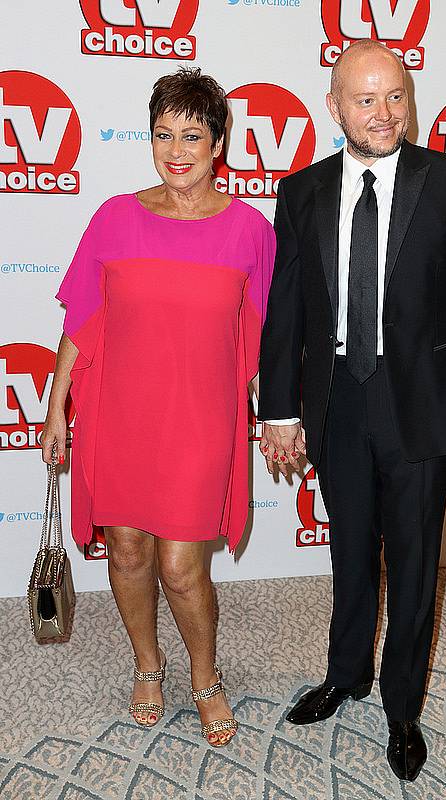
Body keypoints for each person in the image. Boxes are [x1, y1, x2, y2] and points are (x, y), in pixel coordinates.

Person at [258, 40, 446, 780]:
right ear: (333, 107)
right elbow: (284, 315)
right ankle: (346, 675)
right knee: (348, 553)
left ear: (409, 98)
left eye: (394, 96)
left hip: (424, 409)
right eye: (364, 99)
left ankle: (401, 705)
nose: (383, 113)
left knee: (411, 564)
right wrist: (278, 409)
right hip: (336, 401)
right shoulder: (299, 191)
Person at [42, 67, 275, 748]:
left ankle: (205, 676)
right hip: (118, 412)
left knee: (180, 565)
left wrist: (279, 417)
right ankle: (148, 663)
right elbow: (80, 320)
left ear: (218, 141)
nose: (177, 150)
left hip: (200, 419)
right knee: (127, 551)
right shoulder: (114, 216)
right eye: (163, 134)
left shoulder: (249, 233)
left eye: (192, 134)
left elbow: (264, 334)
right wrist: (58, 406)